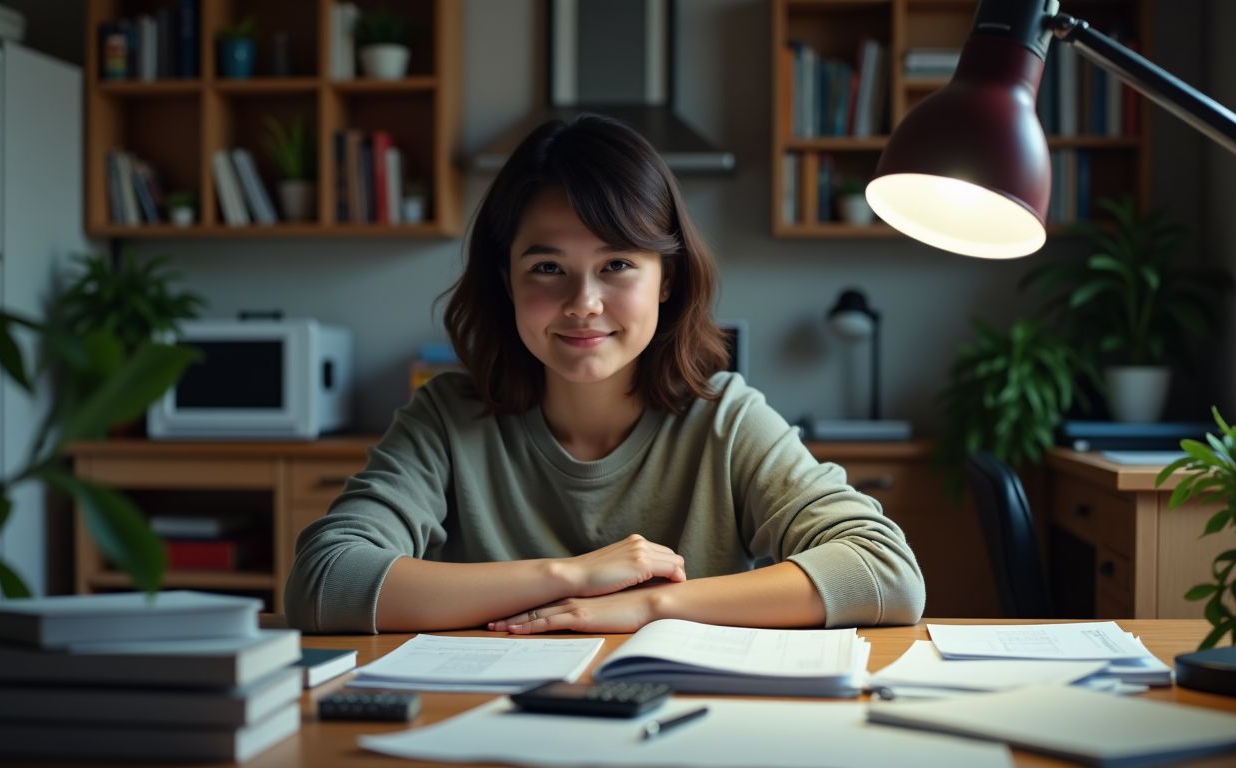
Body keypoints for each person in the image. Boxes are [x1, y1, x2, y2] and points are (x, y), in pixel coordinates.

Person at [285, 114, 924, 635]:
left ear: (666, 279)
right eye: (545, 267)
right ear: (504, 277)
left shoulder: (724, 418)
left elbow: (885, 570)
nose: (583, 302)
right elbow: (324, 582)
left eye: (617, 264)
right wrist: (571, 577)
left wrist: (651, 605)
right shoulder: (447, 419)